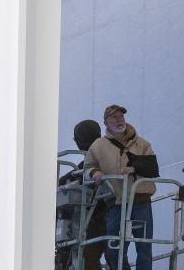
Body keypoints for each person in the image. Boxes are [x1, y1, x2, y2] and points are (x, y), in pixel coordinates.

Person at [84, 104, 156, 270]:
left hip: (141, 199)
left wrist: (133, 168)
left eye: (121, 116)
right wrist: (94, 172)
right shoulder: (98, 145)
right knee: (113, 247)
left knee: (144, 246)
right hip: (115, 201)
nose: (119, 120)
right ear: (106, 122)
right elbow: (87, 167)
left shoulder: (143, 144)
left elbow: (153, 167)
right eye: (114, 117)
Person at [56, 120, 105, 270]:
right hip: (94, 217)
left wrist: (63, 181)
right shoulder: (104, 155)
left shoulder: (99, 158)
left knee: (86, 253)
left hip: (98, 216)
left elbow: (82, 172)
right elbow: (80, 171)